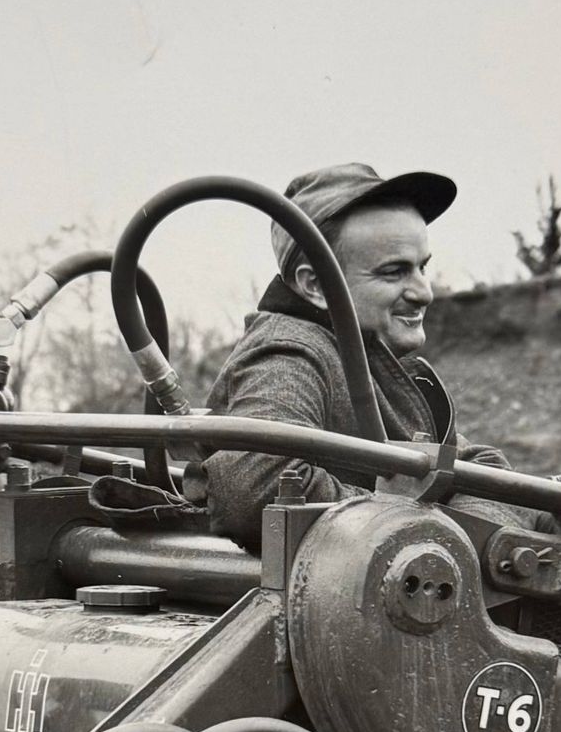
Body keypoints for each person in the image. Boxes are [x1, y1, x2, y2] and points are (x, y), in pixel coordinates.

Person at [203, 162, 502, 547]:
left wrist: (456, 532)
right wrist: (422, 527)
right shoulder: (293, 352)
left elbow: (480, 466)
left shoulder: (366, 358)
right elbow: (256, 487)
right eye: (394, 272)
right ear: (315, 285)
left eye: (422, 267)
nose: (424, 292)